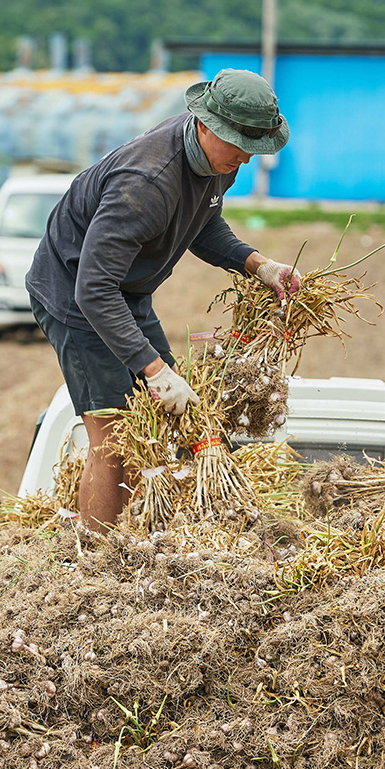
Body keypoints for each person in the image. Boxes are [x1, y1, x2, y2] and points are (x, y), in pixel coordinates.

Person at [26, 68, 300, 534]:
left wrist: (258, 265)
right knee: (115, 440)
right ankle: (91, 565)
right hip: (77, 301)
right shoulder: (146, 182)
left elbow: (203, 223)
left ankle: (136, 534)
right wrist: (156, 371)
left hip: (125, 293)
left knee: (168, 418)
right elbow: (92, 288)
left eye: (254, 151)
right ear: (208, 125)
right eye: (240, 148)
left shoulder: (217, 162)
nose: (246, 161)